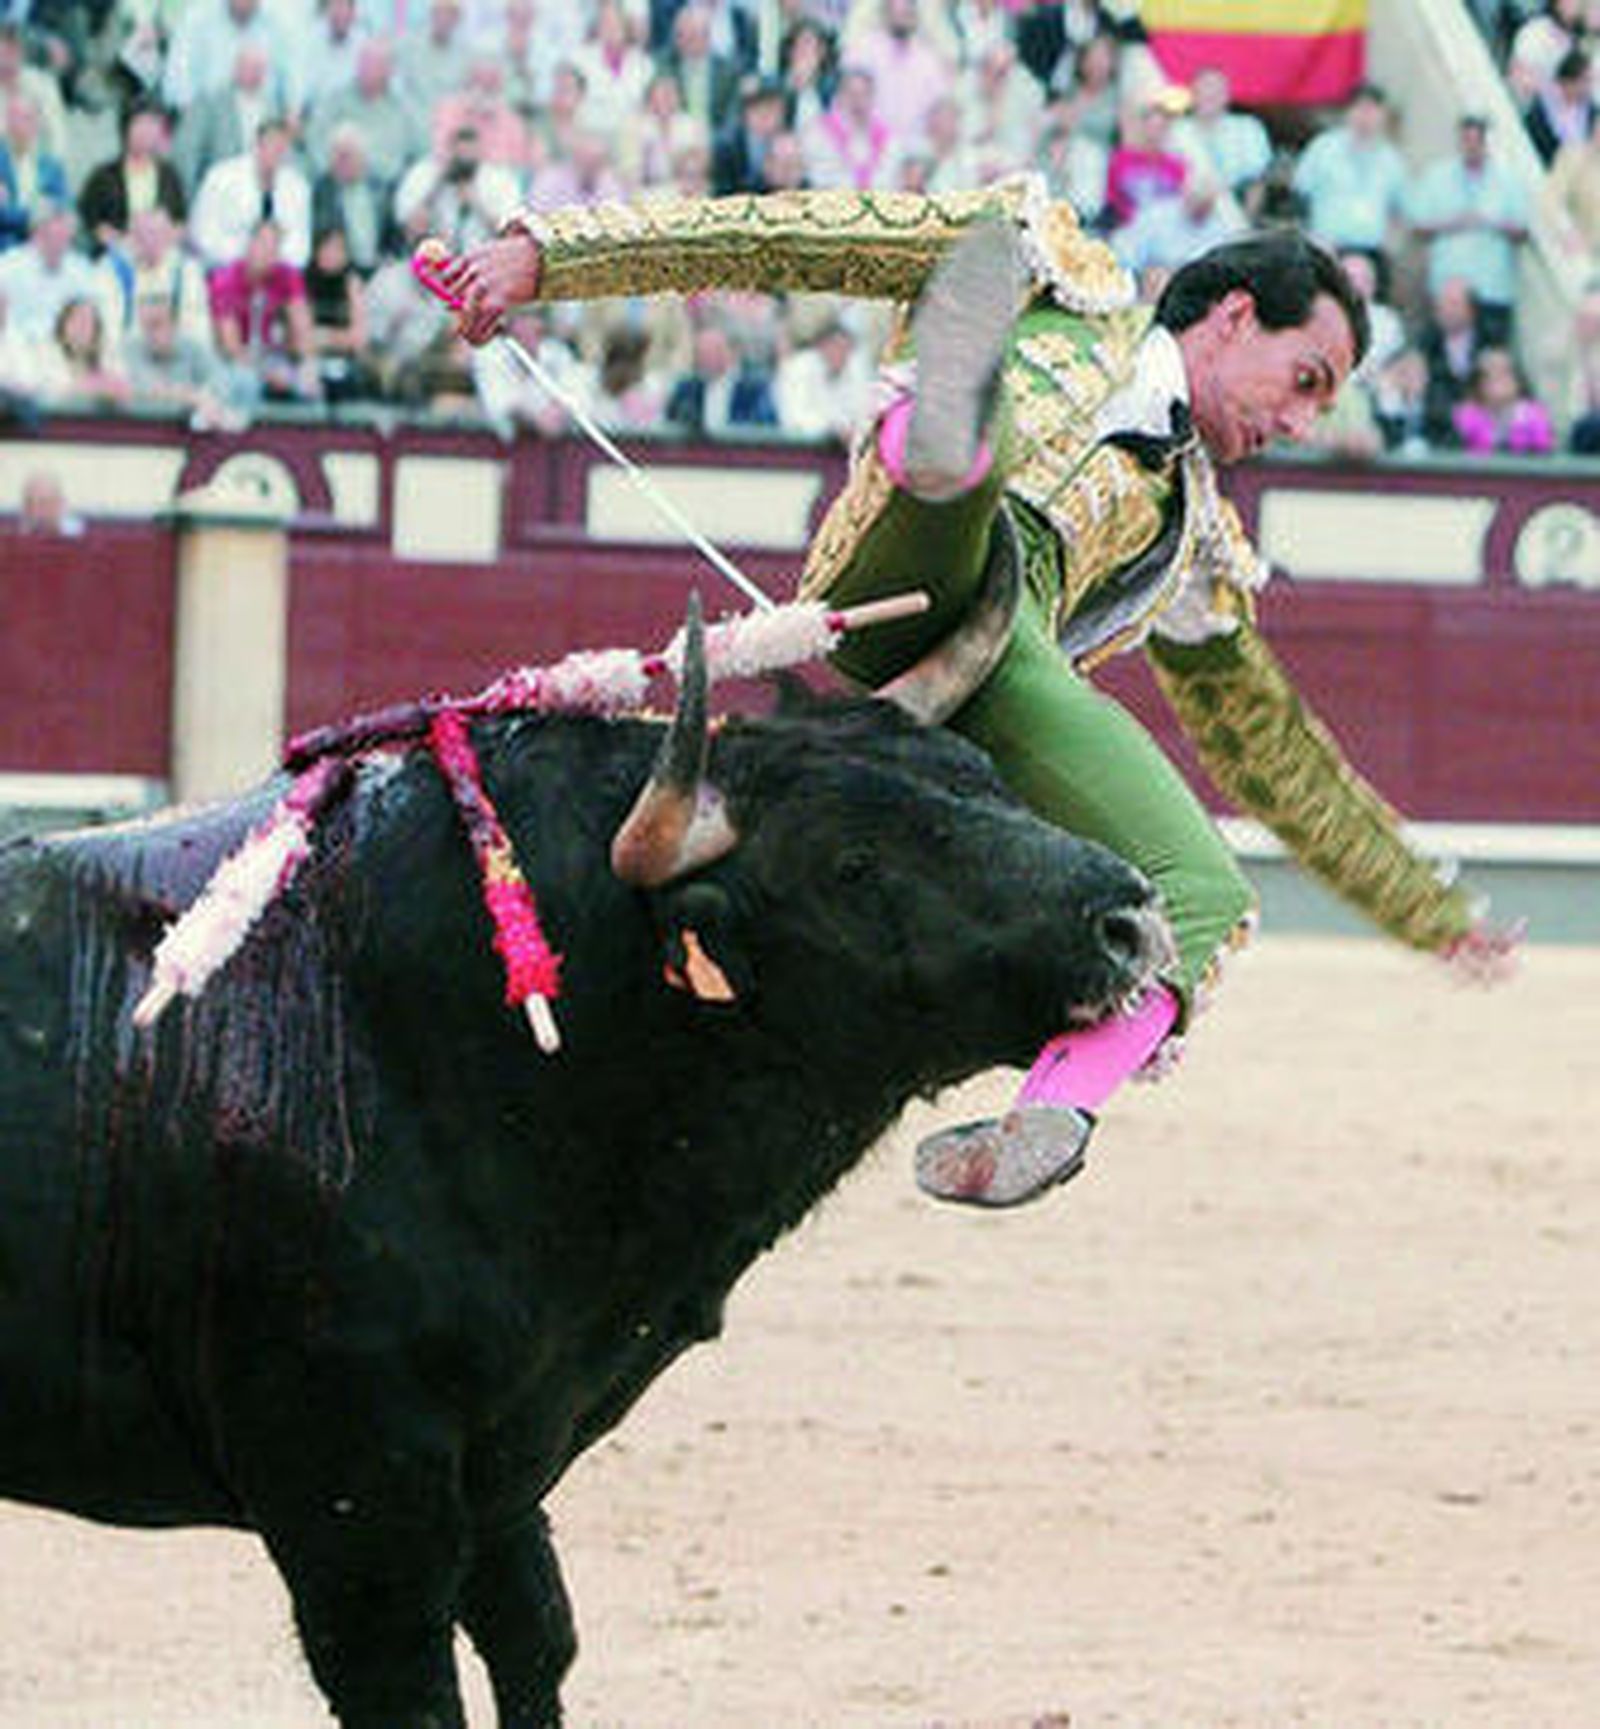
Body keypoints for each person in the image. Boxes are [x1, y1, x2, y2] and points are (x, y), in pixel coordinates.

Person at [435, 177, 1518, 1208]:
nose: (1302, 421)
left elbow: (1275, 755)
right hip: (907, 574)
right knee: (974, 451)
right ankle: (945, 420)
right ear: (1236, 315)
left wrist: (1429, 911)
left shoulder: (1197, 546)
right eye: (1307, 379)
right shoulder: (1063, 285)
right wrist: (548, 260)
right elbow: (792, 233)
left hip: (999, 666)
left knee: (1208, 895)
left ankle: (1046, 1122)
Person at [1406, 114, 1530, 347]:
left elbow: (1522, 231)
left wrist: (1489, 222)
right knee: (1442, 352)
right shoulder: (1437, 176)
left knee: (1490, 352)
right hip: (1447, 285)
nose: (1471, 146)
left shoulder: (1508, 180)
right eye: (1466, 140)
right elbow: (1418, 227)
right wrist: (1454, 223)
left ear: (1486, 143)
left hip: (1492, 287)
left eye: (1477, 140)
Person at [1451, 344, 1556, 454]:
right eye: (1490, 374)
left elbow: (1544, 453)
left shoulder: (1535, 414)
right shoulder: (1465, 415)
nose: (1498, 379)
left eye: (1505, 373)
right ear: (1479, 383)